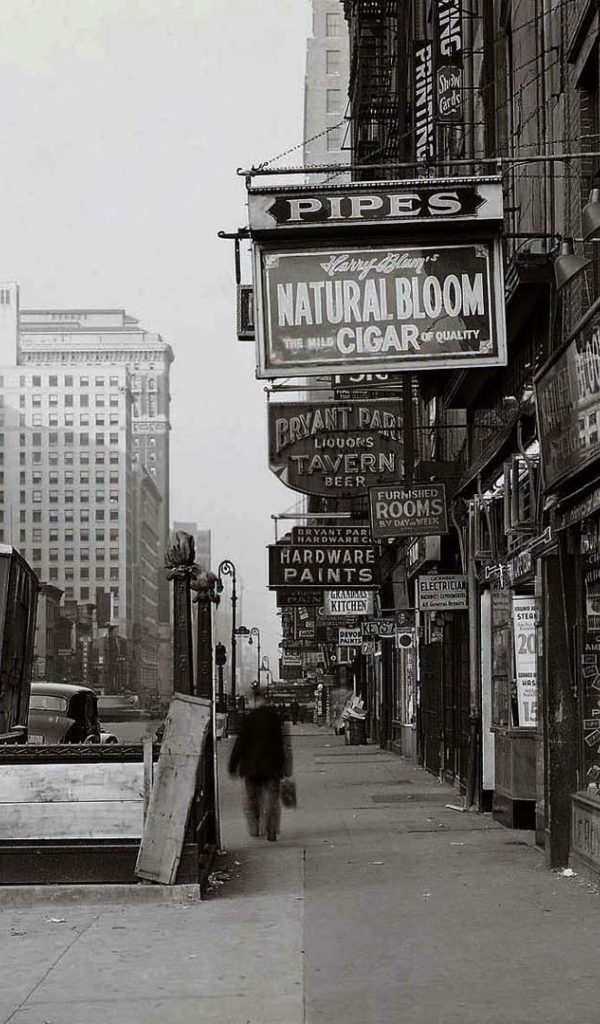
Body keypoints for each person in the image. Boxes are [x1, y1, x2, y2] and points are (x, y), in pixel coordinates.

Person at [228, 701, 292, 841]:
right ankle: (271, 829)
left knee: (252, 798)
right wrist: (284, 767)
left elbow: (240, 743)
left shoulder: (248, 719)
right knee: (272, 799)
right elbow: (282, 745)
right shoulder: (275, 719)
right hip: (272, 766)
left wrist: (233, 765)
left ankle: (255, 827)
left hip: (252, 767)